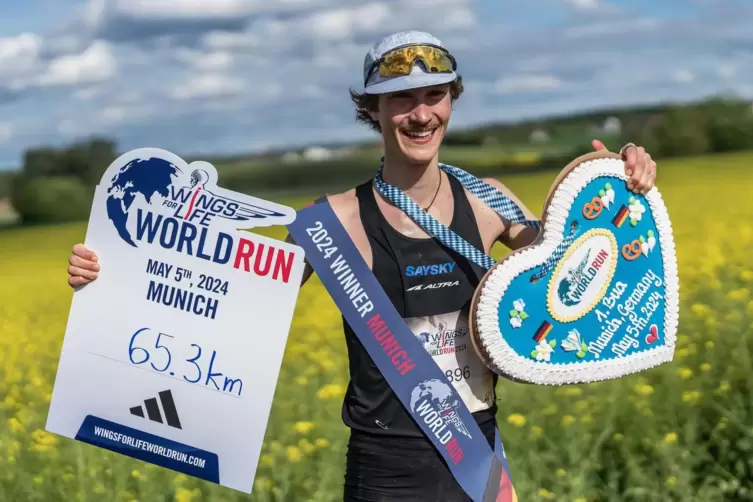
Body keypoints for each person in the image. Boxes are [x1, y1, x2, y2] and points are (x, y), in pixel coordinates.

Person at [66, 30, 658, 501]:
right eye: (402, 98)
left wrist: (618, 184)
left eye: (435, 95)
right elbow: (227, 294)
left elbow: (573, 270)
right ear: (373, 109)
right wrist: (109, 279)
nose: (420, 113)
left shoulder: (491, 200)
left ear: (452, 102)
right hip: (385, 473)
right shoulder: (333, 220)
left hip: (478, 458)